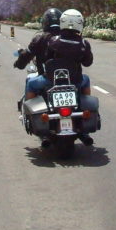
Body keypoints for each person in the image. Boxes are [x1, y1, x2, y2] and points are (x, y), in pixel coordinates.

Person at [25, 8, 94, 145]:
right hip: (75, 82)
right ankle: (84, 119)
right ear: (80, 23)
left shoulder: (54, 41)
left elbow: (48, 60)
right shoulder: (84, 43)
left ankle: (32, 118)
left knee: (31, 84)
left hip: (51, 81)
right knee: (86, 80)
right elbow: (88, 62)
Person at [14, 7, 62, 111]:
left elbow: (26, 55)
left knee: (30, 82)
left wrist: (19, 64)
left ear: (45, 22)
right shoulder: (68, 38)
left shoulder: (40, 38)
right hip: (70, 80)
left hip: (48, 79)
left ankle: (30, 113)